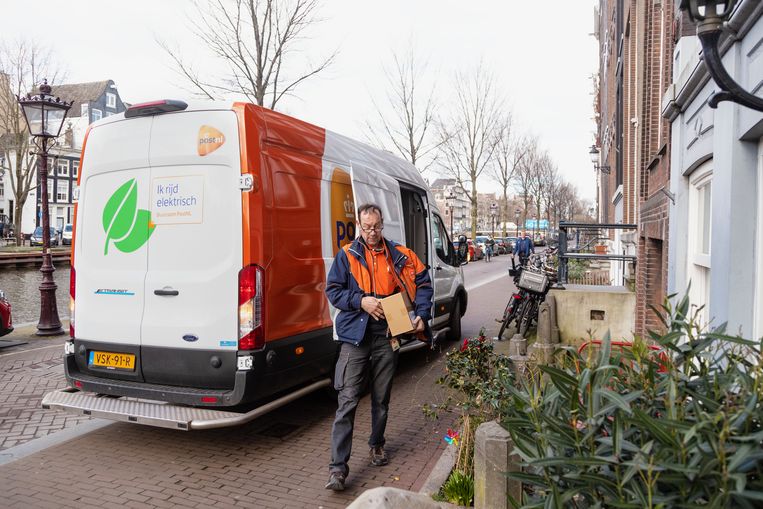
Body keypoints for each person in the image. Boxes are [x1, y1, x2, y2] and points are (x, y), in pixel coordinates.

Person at [324, 203, 434, 492]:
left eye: (376, 227)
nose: (372, 233)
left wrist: (422, 312)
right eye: (366, 227)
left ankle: (376, 446)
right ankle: (338, 468)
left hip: (388, 334)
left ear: (382, 224)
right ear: (358, 226)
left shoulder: (400, 254)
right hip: (355, 337)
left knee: (381, 398)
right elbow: (333, 291)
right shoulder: (346, 255)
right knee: (347, 400)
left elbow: (423, 282)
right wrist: (360, 301)